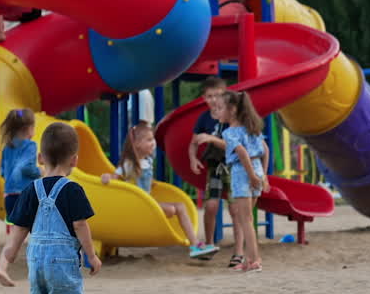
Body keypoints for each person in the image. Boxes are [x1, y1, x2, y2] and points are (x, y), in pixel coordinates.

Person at [0, 123, 101, 294]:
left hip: (35, 260)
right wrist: (91, 256)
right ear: (74, 160)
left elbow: (19, 230)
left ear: (40, 158)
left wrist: (5, 261)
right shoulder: (73, 190)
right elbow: (80, 226)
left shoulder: (31, 190)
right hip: (61, 261)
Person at [102, 121, 214, 258]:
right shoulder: (129, 163)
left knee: (180, 206)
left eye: (153, 139)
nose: (153, 143)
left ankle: (195, 244)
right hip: (140, 206)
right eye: (149, 140)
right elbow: (114, 177)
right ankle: (195, 245)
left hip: (148, 203)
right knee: (174, 209)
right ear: (137, 144)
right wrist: (107, 177)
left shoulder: (148, 161)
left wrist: (151, 183)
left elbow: (144, 181)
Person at [188, 77, 238, 264]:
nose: (215, 100)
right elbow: (193, 143)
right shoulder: (204, 118)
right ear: (204, 99)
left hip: (233, 165)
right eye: (210, 96)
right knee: (211, 206)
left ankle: (239, 249)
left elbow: (235, 146)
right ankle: (209, 244)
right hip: (215, 166)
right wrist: (193, 159)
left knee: (235, 208)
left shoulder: (231, 116)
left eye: (219, 95)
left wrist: (210, 139)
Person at [220, 90, 269, 272]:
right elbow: (265, 150)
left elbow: (241, 153)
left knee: (245, 220)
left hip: (242, 173)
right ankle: (251, 259)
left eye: (221, 108)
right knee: (248, 219)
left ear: (232, 110)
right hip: (255, 168)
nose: (218, 112)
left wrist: (251, 176)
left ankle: (255, 260)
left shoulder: (230, 132)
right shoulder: (252, 129)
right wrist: (262, 175)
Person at [0, 108, 41, 218]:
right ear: (28, 129)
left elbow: (2, 172)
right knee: (35, 227)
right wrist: (39, 171)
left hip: (9, 197)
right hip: (25, 195)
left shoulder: (7, 148)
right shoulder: (30, 145)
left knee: (17, 230)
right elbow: (27, 167)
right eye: (33, 127)